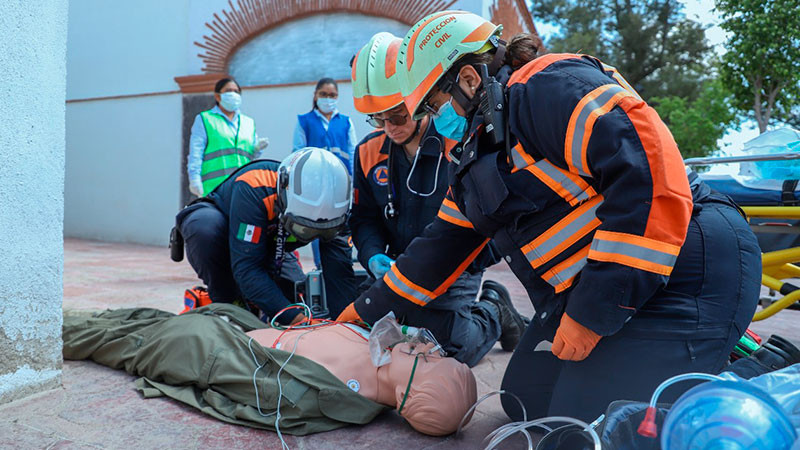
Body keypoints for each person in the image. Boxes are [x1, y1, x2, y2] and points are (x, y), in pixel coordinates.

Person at [337, 11, 764, 422]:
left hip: (689, 267)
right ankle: (703, 351)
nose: (432, 119)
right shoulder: (477, 150)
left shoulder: (547, 88)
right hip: (620, 285)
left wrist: (592, 313)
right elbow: (442, 244)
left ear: (468, 80)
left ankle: (760, 375)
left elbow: (650, 175)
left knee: (591, 424)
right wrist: (367, 308)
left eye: (432, 105)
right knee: (527, 400)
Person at [348, 32, 527, 367]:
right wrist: (372, 255)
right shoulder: (367, 153)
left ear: (419, 101)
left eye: (398, 116)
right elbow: (363, 219)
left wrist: (457, 266)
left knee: (448, 350)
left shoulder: (458, 141)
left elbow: (489, 225)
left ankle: (493, 308)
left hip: (455, 267)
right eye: (378, 119)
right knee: (377, 333)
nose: (389, 127)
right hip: (400, 268)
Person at [63, 303, 479, 437]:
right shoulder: (375, 354)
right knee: (123, 317)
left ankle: (36, 331)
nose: (424, 345)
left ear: (407, 395)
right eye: (432, 350)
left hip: (199, 345)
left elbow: (235, 388)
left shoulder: (325, 398)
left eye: (425, 359)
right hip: (233, 328)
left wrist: (209, 343)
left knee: (106, 335)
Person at [175, 147, 352, 325]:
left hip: (273, 245)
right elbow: (247, 268)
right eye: (304, 229)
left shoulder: (337, 208)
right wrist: (298, 321)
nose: (310, 235)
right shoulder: (254, 185)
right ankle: (227, 304)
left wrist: (343, 322)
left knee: (296, 298)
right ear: (285, 200)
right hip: (230, 234)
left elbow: (339, 270)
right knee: (205, 228)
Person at [291, 78, 358, 304]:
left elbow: (353, 155)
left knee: (338, 230)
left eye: (332, 95)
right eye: (323, 94)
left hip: (340, 187)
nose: (328, 99)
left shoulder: (346, 123)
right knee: (316, 228)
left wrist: (353, 186)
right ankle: (320, 270)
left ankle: (339, 270)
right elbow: (297, 154)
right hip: (314, 188)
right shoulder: (305, 121)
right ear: (315, 95)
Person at [188, 77, 269, 197]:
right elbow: (196, 152)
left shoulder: (248, 123)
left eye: (236, 91)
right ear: (217, 96)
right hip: (215, 187)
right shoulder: (205, 119)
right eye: (229, 90)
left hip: (242, 186)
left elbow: (248, 157)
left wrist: (256, 149)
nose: (233, 94)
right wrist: (194, 178)